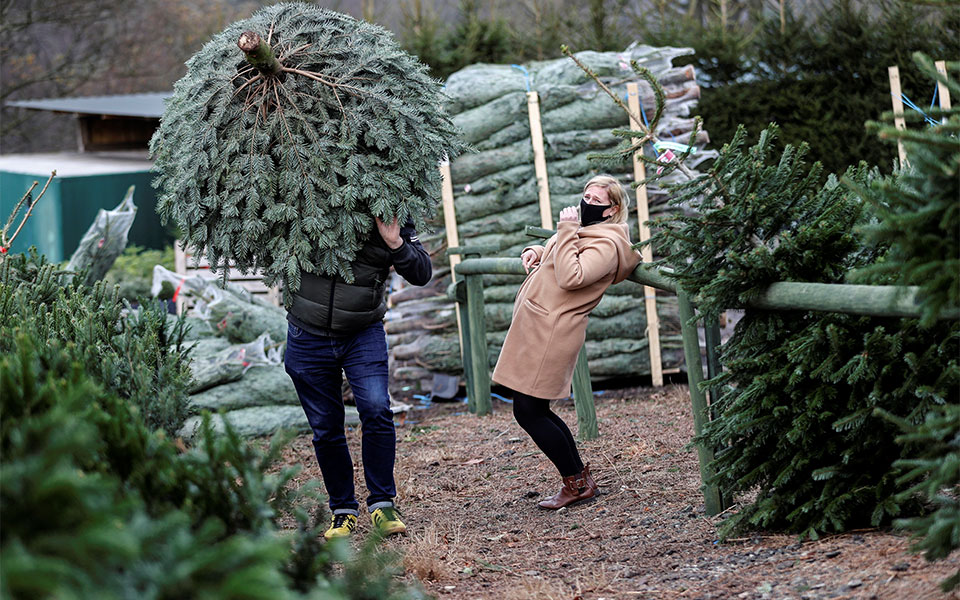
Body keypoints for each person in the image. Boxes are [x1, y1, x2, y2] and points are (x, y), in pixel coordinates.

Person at [492, 174, 641, 509]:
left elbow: (571, 275)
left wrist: (565, 229)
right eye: (585, 195)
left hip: (552, 334)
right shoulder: (588, 233)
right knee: (535, 409)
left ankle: (575, 482)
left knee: (528, 411)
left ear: (611, 209)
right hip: (539, 328)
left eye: (595, 200)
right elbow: (561, 250)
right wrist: (536, 249)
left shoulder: (607, 243)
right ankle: (579, 480)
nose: (586, 203)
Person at [284, 216, 431, 539]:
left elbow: (422, 272)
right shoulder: (299, 194)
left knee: (377, 409)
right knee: (325, 428)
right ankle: (343, 510)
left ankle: (382, 503)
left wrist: (395, 242)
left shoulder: (388, 205)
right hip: (306, 334)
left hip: (362, 332)